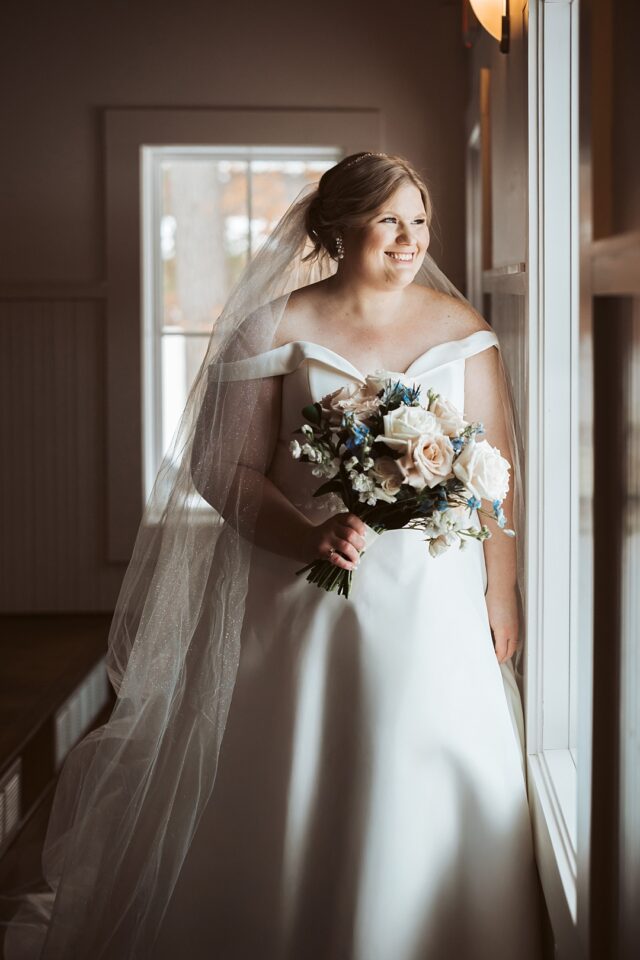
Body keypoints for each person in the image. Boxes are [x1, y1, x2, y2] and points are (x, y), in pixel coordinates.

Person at [2, 153, 542, 959]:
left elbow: (494, 473)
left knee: (429, 758)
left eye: (419, 220)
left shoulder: (464, 332)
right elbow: (223, 469)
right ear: (338, 228)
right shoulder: (275, 327)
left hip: (439, 600)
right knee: (308, 772)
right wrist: (308, 534)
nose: (409, 239)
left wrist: (501, 593)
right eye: (389, 220)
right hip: (310, 597)